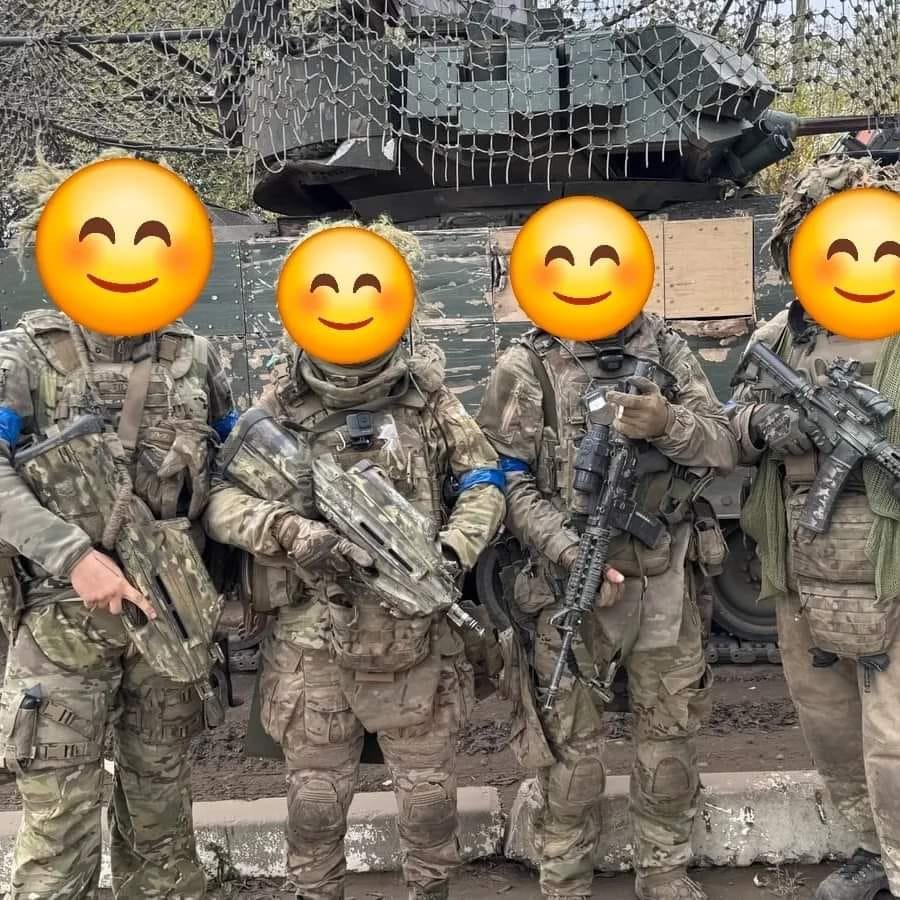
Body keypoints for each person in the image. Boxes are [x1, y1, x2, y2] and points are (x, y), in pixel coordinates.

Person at [203, 218, 507, 900]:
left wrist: (451, 551)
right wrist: (288, 532)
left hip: (415, 638)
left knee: (430, 807)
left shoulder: (429, 399)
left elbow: (486, 482)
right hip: (313, 641)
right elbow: (221, 500)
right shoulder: (279, 405)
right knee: (314, 807)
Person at [0, 159, 237, 898]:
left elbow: (231, 472)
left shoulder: (198, 358)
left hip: (166, 622)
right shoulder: (24, 356)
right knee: (59, 834)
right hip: (63, 623)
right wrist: (73, 556)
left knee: (162, 828)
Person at [476, 311, 737, 900]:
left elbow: (724, 446)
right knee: (570, 754)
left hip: (663, 576)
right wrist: (569, 552)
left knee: (669, 741)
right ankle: (565, 880)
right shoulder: (529, 362)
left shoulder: (667, 347)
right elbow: (503, 478)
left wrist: (667, 422)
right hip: (569, 581)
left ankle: (664, 872)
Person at [730, 155, 900, 900]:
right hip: (803, 561)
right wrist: (769, 423)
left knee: (894, 742)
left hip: (890, 563)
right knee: (826, 724)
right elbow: (726, 425)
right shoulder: (783, 337)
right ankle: (869, 850)